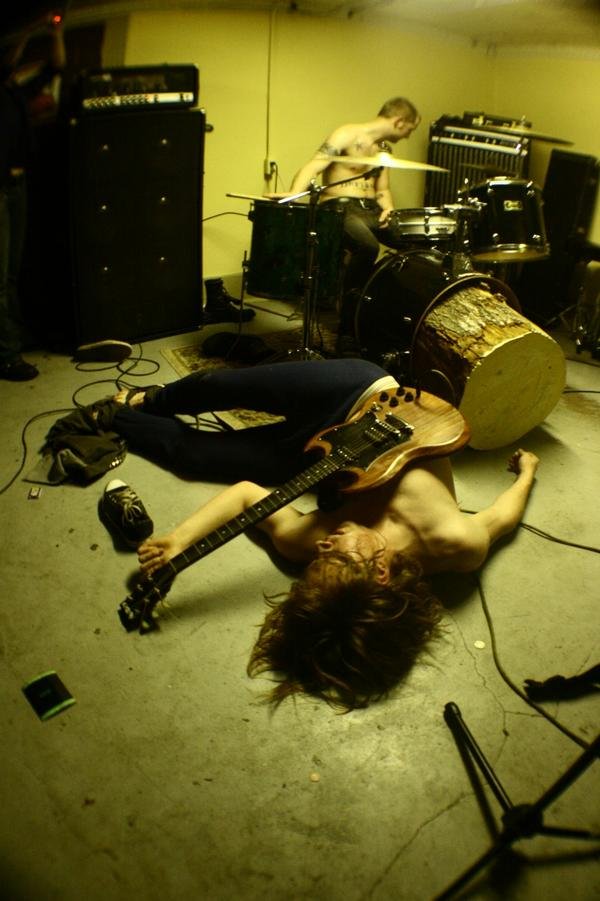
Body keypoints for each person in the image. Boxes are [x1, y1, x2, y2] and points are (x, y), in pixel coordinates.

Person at [93, 358, 539, 711]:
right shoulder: (453, 541)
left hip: (319, 451)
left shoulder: (309, 546)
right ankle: (153, 396)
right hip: (358, 395)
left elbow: (246, 494)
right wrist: (527, 473)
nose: (325, 545)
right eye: (337, 556)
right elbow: (503, 516)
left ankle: (110, 415)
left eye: (319, 560)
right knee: (217, 385)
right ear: (380, 573)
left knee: (193, 456)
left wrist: (179, 540)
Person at [270, 97, 421, 356]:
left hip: (370, 210)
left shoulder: (384, 150)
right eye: (410, 129)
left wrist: (389, 209)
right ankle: (347, 330)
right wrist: (294, 193)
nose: (408, 135)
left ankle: (391, 314)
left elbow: (382, 190)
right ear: (399, 121)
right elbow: (315, 164)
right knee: (366, 246)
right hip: (339, 208)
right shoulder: (347, 133)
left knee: (414, 241)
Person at [0, 15, 65, 380]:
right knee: (0, 277)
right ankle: (7, 356)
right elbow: (7, 61)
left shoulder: (17, 93)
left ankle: (12, 340)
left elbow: (56, 66)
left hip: (17, 187)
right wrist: (26, 29)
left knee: (12, 273)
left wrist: (54, 32)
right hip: (0, 189)